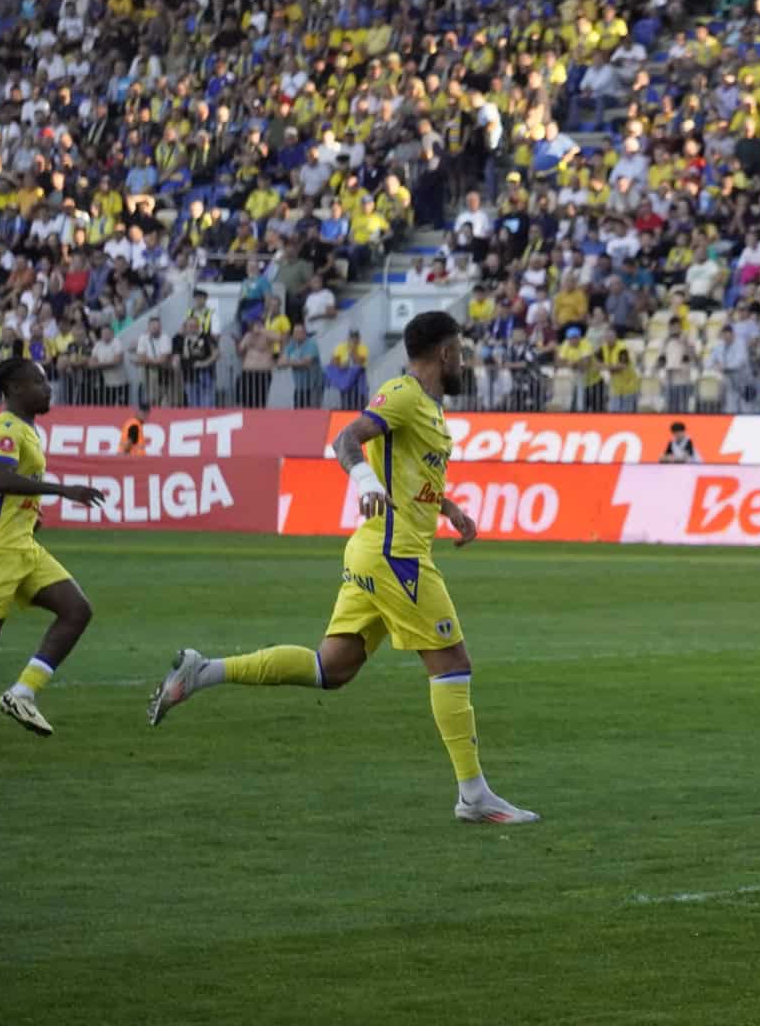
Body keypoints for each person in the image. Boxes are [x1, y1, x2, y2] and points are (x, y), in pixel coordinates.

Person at [148, 312, 537, 825]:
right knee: (453, 665)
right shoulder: (401, 394)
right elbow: (346, 440)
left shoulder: (428, 410)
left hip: (377, 551)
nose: (463, 361)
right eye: (460, 352)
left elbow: (413, 476)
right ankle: (473, 795)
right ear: (444, 354)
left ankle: (204, 671)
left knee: (331, 668)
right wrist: (363, 482)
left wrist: (451, 510)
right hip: (396, 554)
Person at [0, 360, 106, 737]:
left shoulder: (28, 430)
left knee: (76, 610)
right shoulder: (5, 427)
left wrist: (31, 514)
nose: (48, 387)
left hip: (23, 545)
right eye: (38, 382)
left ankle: (22, 693)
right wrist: (63, 491)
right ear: (14, 388)